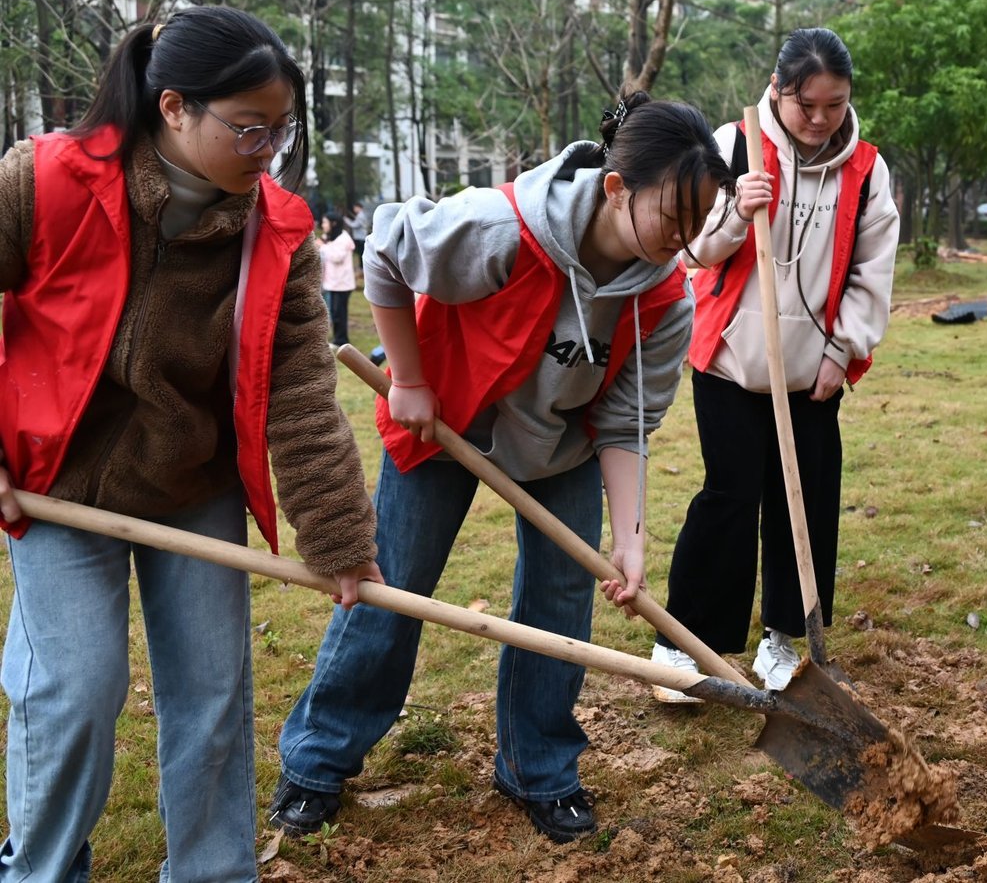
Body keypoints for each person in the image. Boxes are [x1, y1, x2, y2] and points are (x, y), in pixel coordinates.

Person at [270, 92, 735, 843]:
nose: (682, 241)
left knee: (560, 607)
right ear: (617, 188)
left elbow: (627, 420)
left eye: (697, 225)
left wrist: (632, 534)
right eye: (671, 217)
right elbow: (386, 250)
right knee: (390, 589)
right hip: (448, 422)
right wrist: (412, 378)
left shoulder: (662, 296)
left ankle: (538, 768)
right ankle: (317, 761)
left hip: (561, 448)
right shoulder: (502, 228)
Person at [0, 6, 382, 881]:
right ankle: (41, 869)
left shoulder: (273, 232)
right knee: (74, 696)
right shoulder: (49, 180)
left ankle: (213, 872)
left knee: (212, 698)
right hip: (59, 484)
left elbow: (299, 392)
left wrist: (339, 539)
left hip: (191, 482)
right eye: (250, 129)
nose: (267, 151)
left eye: (281, 132)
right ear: (173, 107)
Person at [650, 27, 900, 700]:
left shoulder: (867, 172)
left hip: (812, 370)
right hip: (731, 361)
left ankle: (784, 639)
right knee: (729, 499)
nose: (820, 120)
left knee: (806, 505)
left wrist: (841, 351)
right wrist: (736, 210)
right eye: (805, 105)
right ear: (776, 91)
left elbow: (874, 270)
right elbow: (689, 252)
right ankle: (685, 643)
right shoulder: (733, 149)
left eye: (834, 105)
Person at [320, 211, 357, 346]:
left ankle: (341, 340)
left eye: (325, 222)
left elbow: (337, 257)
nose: (323, 225)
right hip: (333, 282)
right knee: (335, 312)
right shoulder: (332, 237)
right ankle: (338, 338)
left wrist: (323, 247)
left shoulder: (344, 239)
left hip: (342, 284)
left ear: (333, 224)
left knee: (339, 313)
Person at [346, 200, 369, 265]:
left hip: (360, 237)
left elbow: (354, 225)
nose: (354, 209)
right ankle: (362, 266)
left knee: (361, 253)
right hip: (361, 237)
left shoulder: (360, 215)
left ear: (358, 207)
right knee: (361, 253)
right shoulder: (361, 215)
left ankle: (362, 267)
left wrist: (346, 220)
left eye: (355, 208)